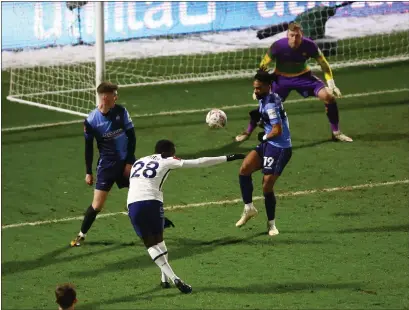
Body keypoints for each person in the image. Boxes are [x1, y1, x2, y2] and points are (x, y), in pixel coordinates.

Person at [126, 139, 245, 293]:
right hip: (153, 202)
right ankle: (175, 278)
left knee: (151, 244)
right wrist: (228, 157)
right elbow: (199, 162)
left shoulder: (139, 161)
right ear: (168, 152)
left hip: (133, 204)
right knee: (158, 240)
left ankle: (165, 278)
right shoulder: (167, 159)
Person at [235, 22, 352, 143]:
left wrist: (331, 84)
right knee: (264, 107)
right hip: (281, 80)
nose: (294, 38)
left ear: (302, 35)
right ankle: (247, 132)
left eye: (297, 36)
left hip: (304, 78)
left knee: (328, 97)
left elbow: (324, 64)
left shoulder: (310, 45)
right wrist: (259, 87)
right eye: (291, 35)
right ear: (287, 34)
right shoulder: (278, 46)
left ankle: (336, 133)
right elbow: (263, 66)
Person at [70, 82, 136, 247]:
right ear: (106, 97)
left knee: (141, 192)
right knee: (97, 204)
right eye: (115, 94)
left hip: (125, 163)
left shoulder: (121, 111)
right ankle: (81, 234)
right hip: (107, 166)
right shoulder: (91, 121)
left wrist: (129, 162)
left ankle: (155, 225)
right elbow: (88, 148)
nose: (117, 97)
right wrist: (88, 172)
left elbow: (132, 137)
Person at [236, 71, 292, 236]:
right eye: (255, 88)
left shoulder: (270, 105)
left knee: (267, 185)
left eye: (259, 88)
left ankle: (271, 224)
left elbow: (277, 129)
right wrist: (259, 120)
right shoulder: (264, 98)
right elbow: (268, 122)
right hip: (268, 144)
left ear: (268, 87)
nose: (256, 91)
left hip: (280, 147)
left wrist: (264, 135)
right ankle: (249, 208)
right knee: (244, 169)